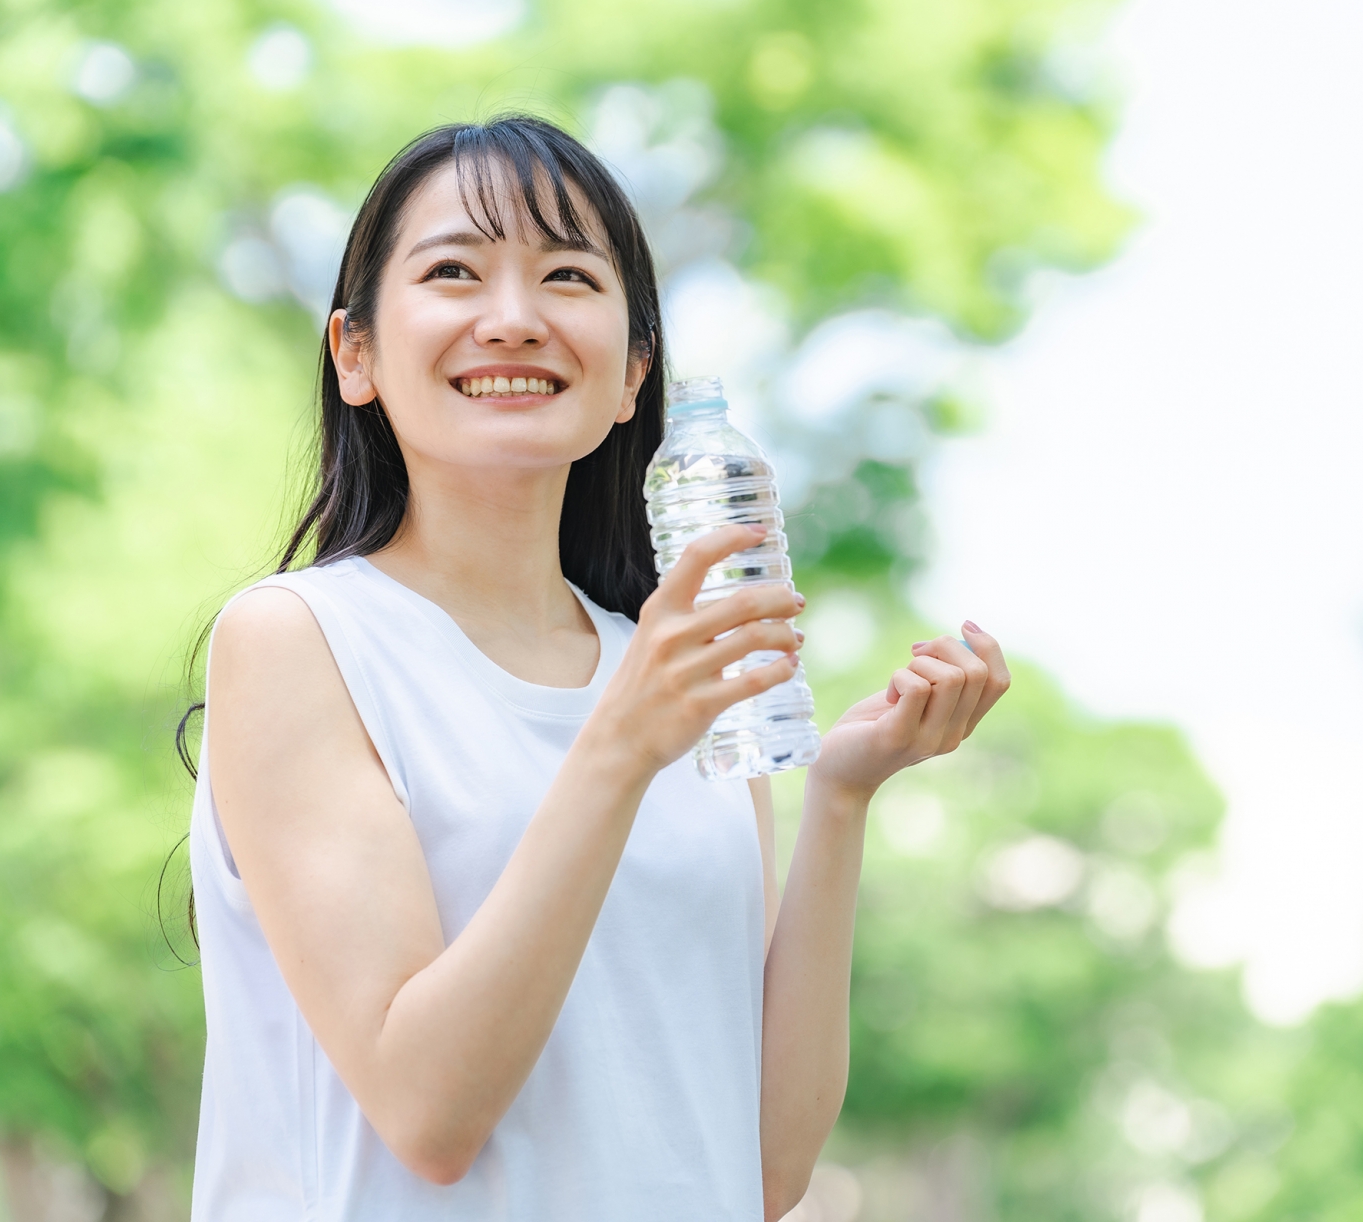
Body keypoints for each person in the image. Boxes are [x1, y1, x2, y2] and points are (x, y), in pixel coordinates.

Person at [185, 116, 1011, 1221]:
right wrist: (620, 745)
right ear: (356, 354)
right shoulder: (299, 638)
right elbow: (429, 1110)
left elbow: (763, 1165)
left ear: (631, 376)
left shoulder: (675, 673)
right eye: (454, 272)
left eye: (568, 275)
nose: (514, 319)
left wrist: (844, 795)